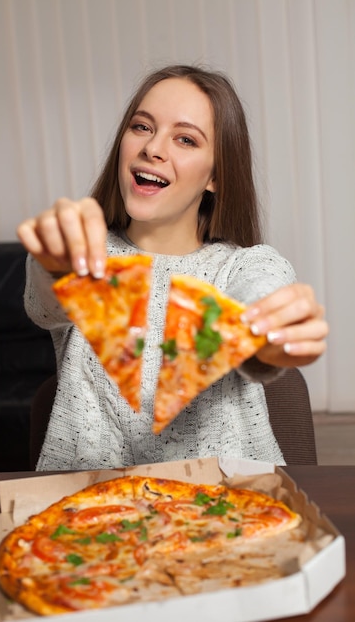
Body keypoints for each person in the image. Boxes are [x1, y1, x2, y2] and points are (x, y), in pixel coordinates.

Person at [18, 64, 328, 470]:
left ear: (216, 175)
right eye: (142, 127)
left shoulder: (245, 265)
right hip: (89, 512)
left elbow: (258, 303)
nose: (153, 148)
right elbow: (44, 303)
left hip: (226, 511)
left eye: (185, 139)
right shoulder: (85, 256)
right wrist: (55, 265)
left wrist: (267, 335)